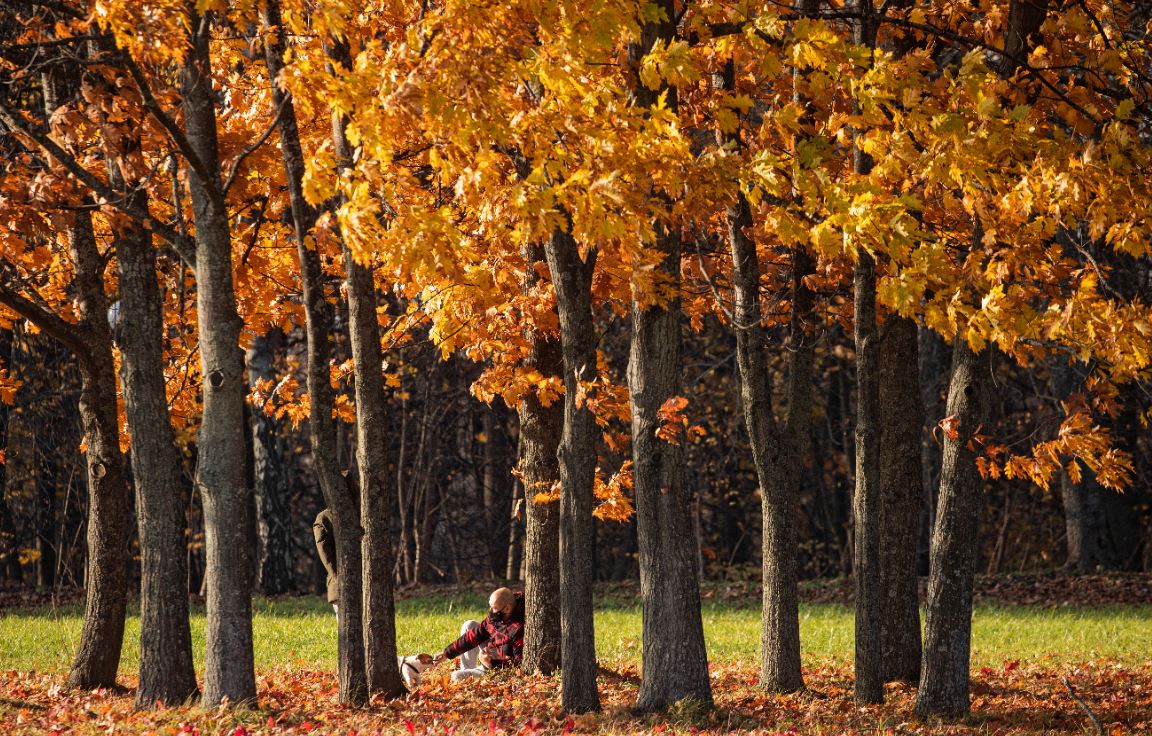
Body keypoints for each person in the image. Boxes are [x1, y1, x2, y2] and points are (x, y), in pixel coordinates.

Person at [434, 587, 524, 682]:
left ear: (507, 608)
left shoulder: (519, 628)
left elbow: (518, 664)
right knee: (469, 625)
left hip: (496, 669)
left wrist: (491, 662)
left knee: (456, 676)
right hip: (491, 652)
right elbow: (474, 635)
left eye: (494, 608)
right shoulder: (497, 616)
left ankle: (469, 677)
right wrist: (447, 653)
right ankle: (467, 670)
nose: (491, 611)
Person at [313, 508, 338, 614]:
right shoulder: (324, 518)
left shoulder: (324, 517)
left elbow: (325, 553)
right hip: (339, 584)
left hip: (338, 583)